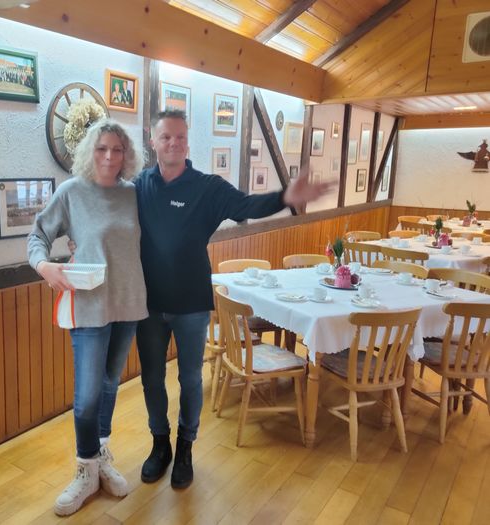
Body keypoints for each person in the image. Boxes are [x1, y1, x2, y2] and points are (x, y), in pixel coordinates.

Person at [134, 109, 331, 489]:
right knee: (152, 379)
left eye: (180, 137)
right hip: (148, 305)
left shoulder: (207, 187)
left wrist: (285, 197)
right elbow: (111, 218)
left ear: (187, 142)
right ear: (152, 139)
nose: (173, 143)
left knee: (190, 379)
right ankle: (160, 444)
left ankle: (185, 447)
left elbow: (246, 205)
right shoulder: (140, 186)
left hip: (192, 303)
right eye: (165, 137)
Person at [28, 118, 147, 516]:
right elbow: (37, 236)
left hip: (128, 304)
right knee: (86, 398)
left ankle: (100, 458)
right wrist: (45, 266)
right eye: (102, 148)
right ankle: (84, 469)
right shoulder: (72, 192)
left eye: (117, 149)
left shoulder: (134, 194)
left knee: (110, 385)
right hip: (89, 306)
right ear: (89, 151)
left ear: (127, 155)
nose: (110, 156)